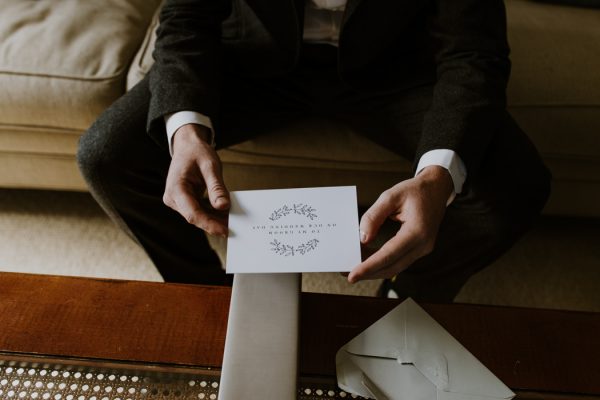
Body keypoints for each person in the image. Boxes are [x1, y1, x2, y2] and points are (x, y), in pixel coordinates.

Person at [77, 0, 551, 302]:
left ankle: (407, 297)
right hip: (254, 59)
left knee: (519, 184)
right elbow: (185, 17)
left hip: (395, 67)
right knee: (106, 155)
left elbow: (474, 52)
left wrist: (438, 176)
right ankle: (205, 291)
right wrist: (185, 132)